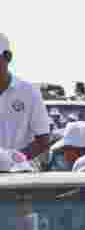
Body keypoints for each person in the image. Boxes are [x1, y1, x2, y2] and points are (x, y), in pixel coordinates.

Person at [0, 34, 51, 162]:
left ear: (8, 57)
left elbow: (43, 140)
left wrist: (13, 160)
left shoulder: (29, 93)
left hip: (18, 171)